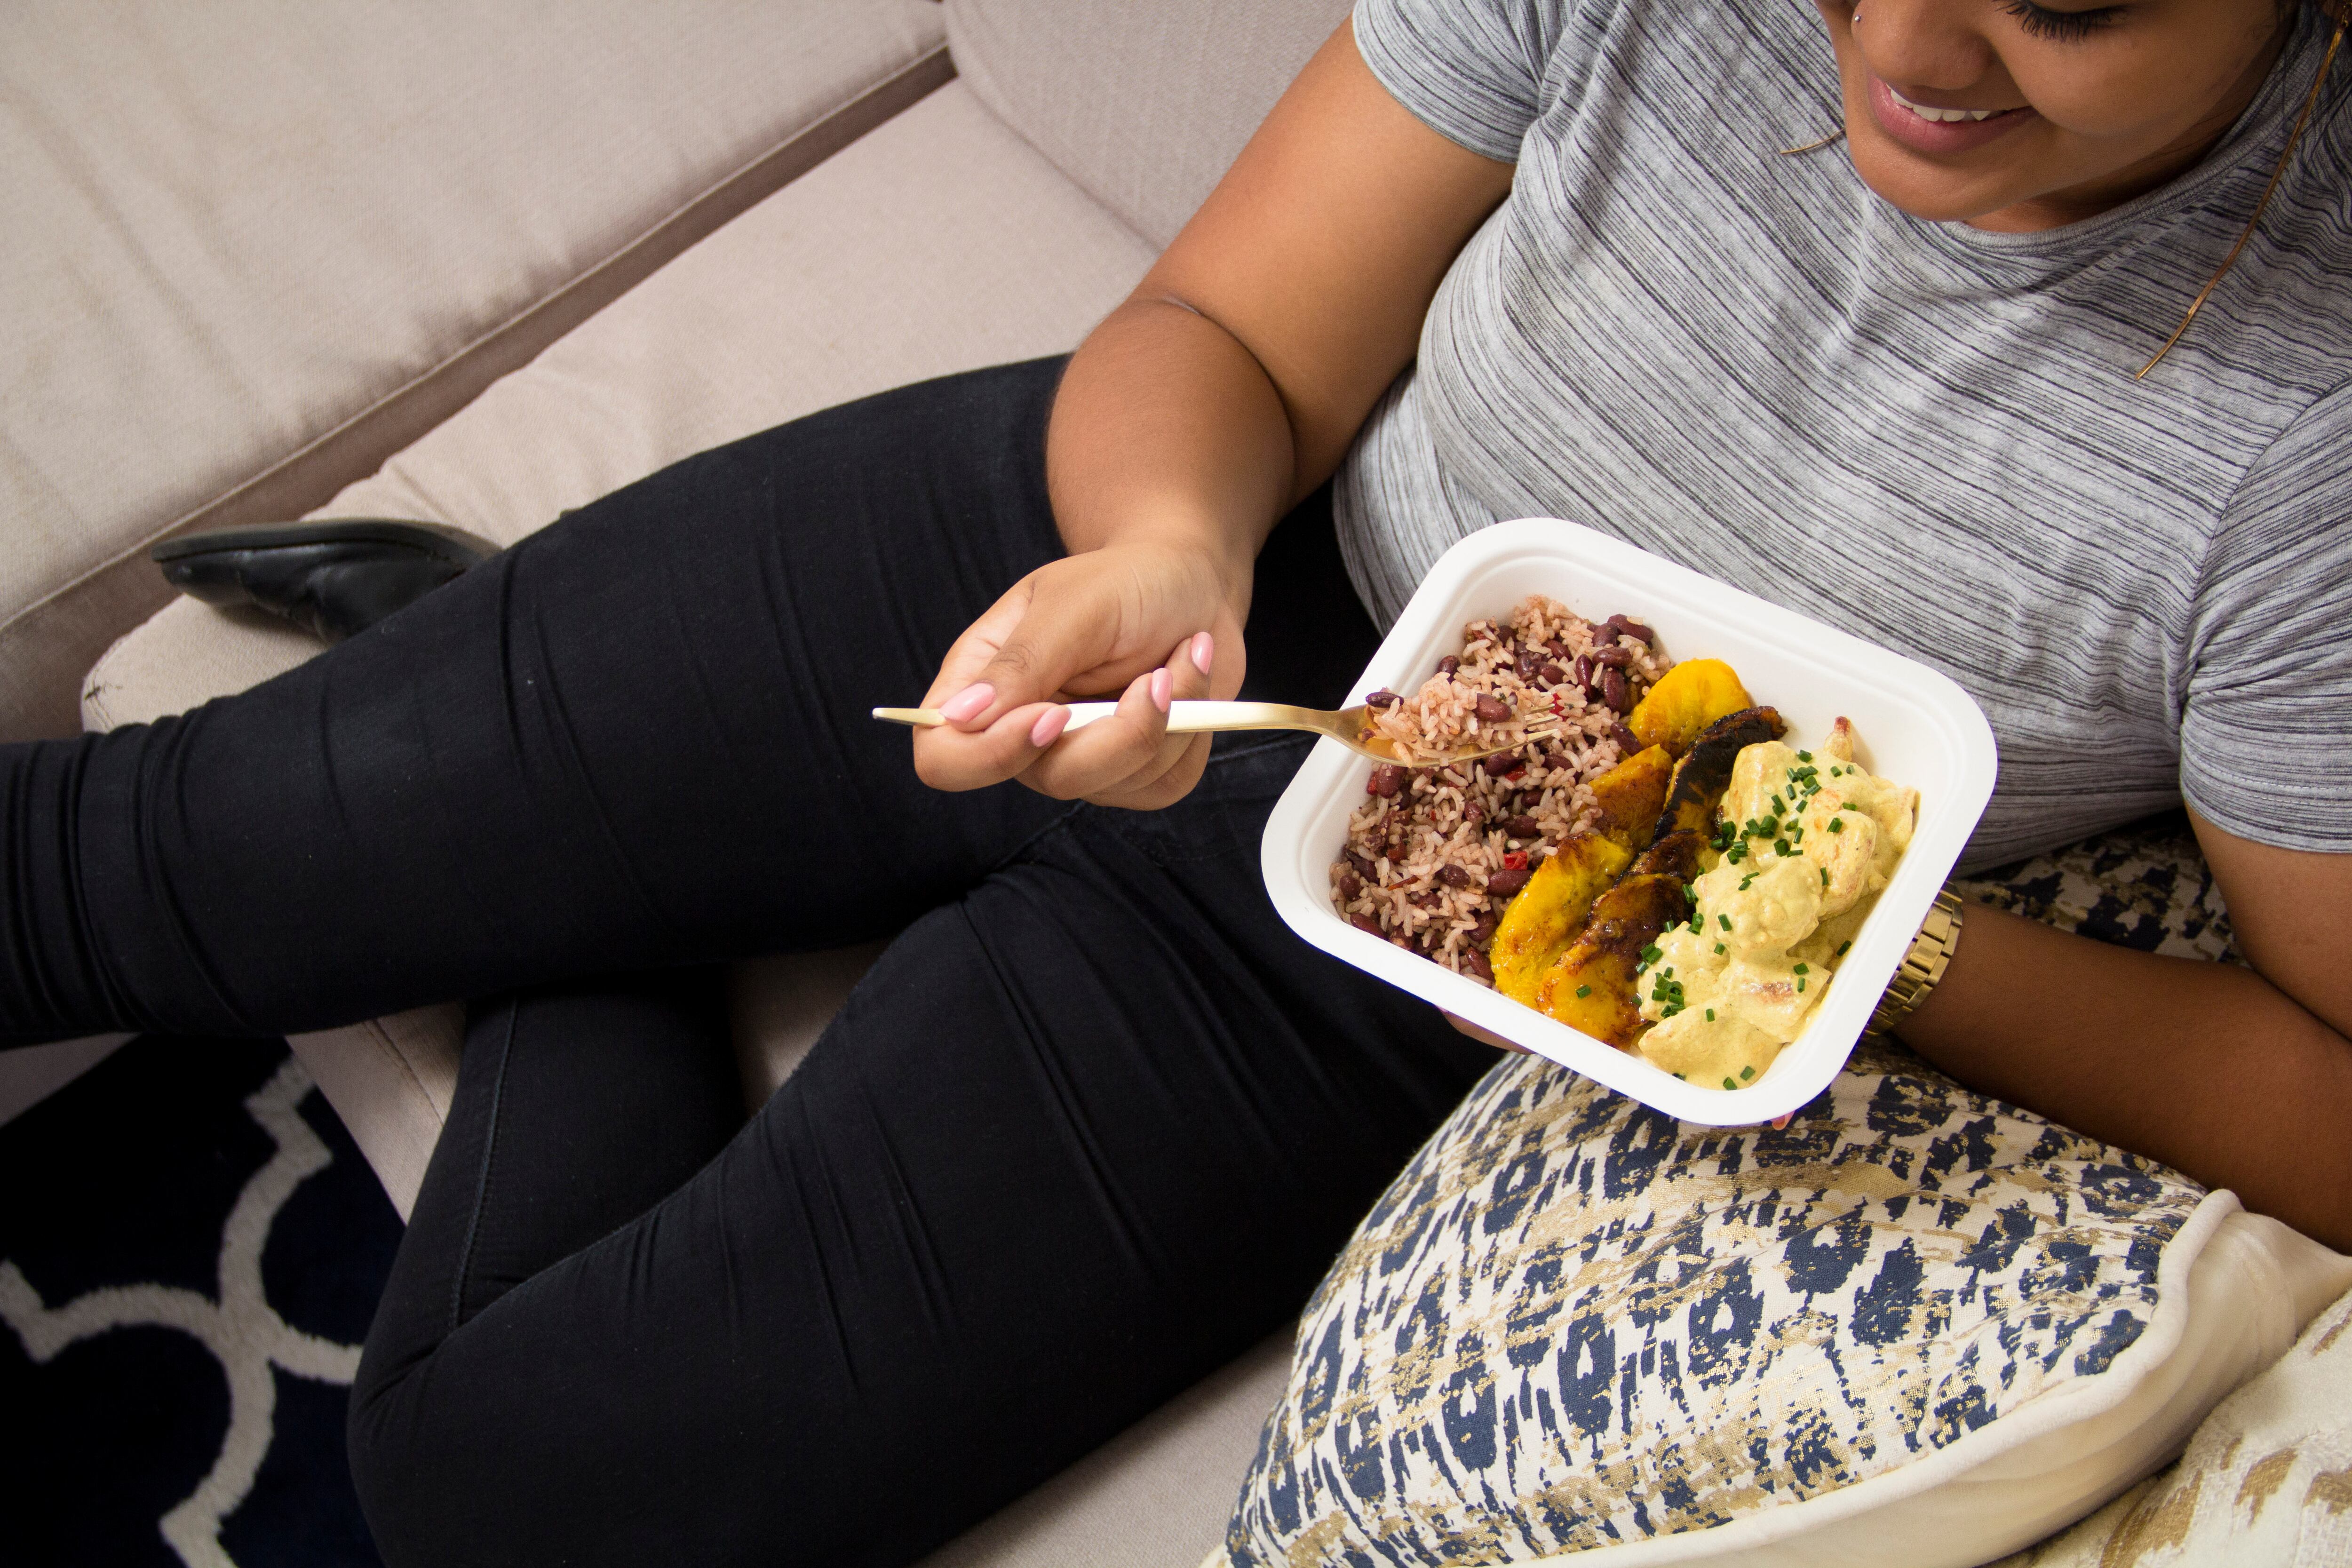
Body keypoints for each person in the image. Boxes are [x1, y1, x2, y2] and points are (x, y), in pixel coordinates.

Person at [7, 0, 2349, 1563]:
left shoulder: (2312, 440)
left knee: (499, 1499)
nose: (1901, 48)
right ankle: (559, 809)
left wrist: (1845, 935)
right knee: (113, 872)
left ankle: (575, 864)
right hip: (1163, 542)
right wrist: (1158, 552)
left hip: (1363, 973)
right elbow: (1224, 327)